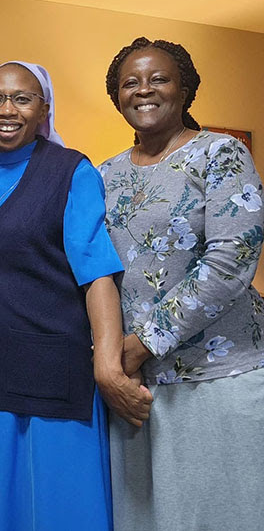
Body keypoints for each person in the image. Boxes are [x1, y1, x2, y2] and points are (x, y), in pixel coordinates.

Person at [0, 61, 147, 530]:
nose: (7, 110)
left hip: (54, 378)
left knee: (62, 513)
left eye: (21, 98)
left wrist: (107, 364)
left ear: (43, 109)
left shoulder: (71, 171)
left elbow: (97, 272)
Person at [101, 37, 264, 530]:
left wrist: (139, 345)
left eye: (159, 79)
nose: (143, 90)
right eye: (130, 83)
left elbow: (231, 261)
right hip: (138, 391)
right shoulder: (103, 174)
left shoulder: (221, 153)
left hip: (219, 376)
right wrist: (112, 357)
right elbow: (97, 275)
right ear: (117, 96)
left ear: (185, 88)